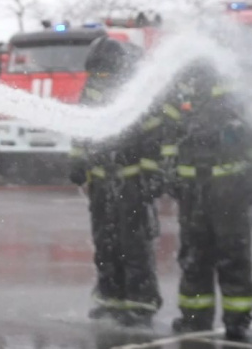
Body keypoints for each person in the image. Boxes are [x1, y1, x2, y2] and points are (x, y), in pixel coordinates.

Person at [69, 36, 161, 327]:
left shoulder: (136, 93)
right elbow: (81, 127)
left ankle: (140, 302)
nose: (100, 76)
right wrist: (77, 160)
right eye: (97, 70)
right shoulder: (92, 89)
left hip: (130, 181)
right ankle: (110, 299)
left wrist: (149, 174)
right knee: (105, 241)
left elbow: (153, 135)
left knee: (132, 242)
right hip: (101, 181)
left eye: (105, 70)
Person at [168, 60, 252, 341]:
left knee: (232, 254)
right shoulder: (182, 99)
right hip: (192, 192)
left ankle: (236, 321)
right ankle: (195, 318)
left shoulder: (233, 98)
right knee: (194, 256)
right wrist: (170, 175)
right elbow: (169, 139)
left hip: (228, 192)